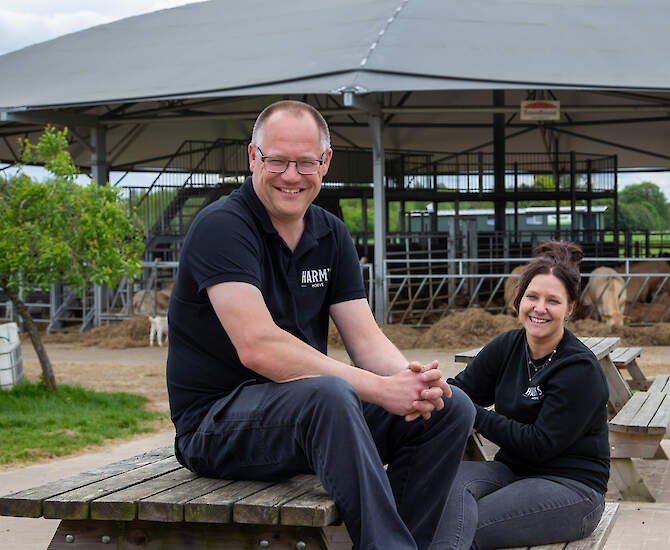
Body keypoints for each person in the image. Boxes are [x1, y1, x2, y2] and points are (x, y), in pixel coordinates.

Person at [165, 100, 475, 550]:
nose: (291, 175)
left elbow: (366, 338)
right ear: (253, 157)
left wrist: (412, 381)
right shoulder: (222, 227)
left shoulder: (330, 233)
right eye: (277, 161)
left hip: (311, 418)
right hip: (217, 425)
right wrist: (378, 390)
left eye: (305, 162)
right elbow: (259, 347)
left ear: (324, 163)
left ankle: (408, 542)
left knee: (449, 408)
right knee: (330, 394)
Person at [431, 241, 610, 549]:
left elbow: (539, 445)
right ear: (519, 300)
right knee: (437, 489)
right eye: (532, 297)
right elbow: (461, 389)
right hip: (511, 472)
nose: (539, 308)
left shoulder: (579, 369)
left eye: (552, 301)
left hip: (571, 488)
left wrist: (472, 411)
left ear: (569, 309)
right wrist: (430, 387)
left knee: (462, 528)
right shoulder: (509, 345)